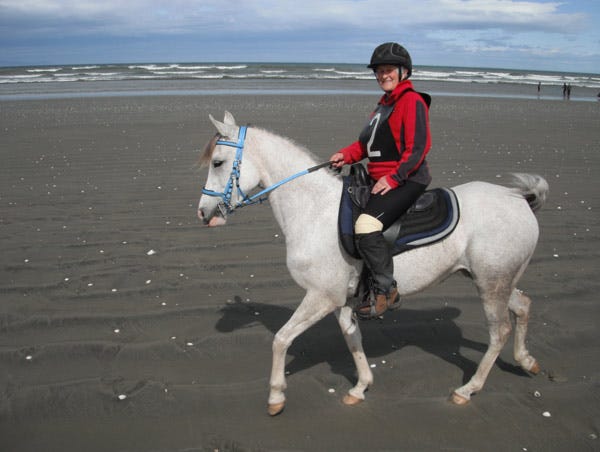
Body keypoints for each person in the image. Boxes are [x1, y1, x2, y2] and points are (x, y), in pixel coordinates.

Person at [330, 42, 432, 320]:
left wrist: (395, 177)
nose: (383, 75)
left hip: (408, 178)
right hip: (379, 178)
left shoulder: (412, 101)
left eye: (389, 70)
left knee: (365, 227)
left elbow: (418, 148)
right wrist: (345, 155)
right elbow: (365, 146)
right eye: (379, 71)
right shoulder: (382, 106)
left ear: (404, 72)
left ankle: (387, 290)